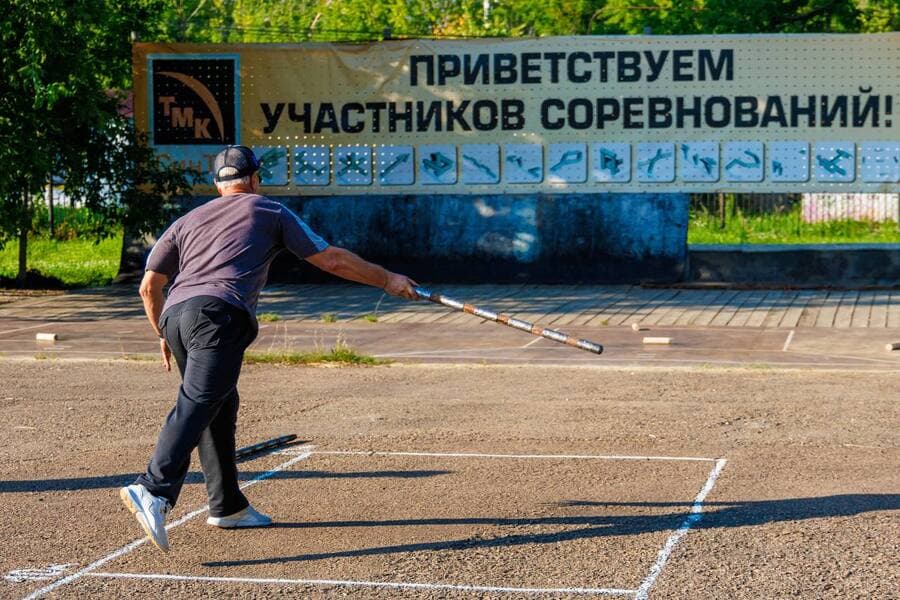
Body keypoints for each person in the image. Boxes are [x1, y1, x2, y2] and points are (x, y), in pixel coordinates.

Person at [120, 145, 418, 551]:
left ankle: (228, 506)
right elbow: (330, 259)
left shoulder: (186, 220)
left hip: (176, 316)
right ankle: (153, 487)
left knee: (218, 405)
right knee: (201, 398)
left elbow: (148, 286)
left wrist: (161, 332)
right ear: (256, 179)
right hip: (218, 315)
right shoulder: (268, 210)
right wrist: (386, 279)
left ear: (217, 185)